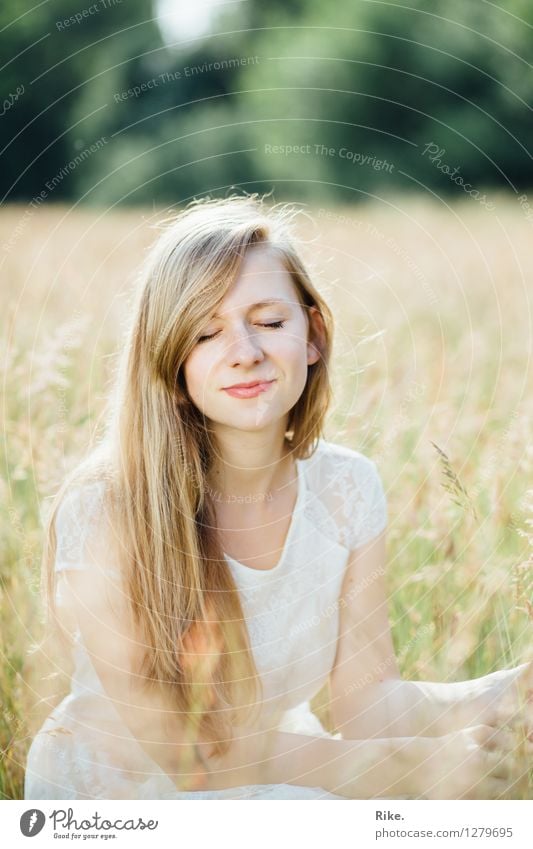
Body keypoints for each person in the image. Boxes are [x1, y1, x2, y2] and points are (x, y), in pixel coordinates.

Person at [24, 194, 532, 800]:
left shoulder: (346, 489)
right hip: (130, 793)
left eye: (269, 322)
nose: (246, 351)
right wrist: (412, 769)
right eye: (206, 333)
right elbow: (189, 750)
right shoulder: (106, 510)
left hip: (281, 763)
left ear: (313, 334)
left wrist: (504, 694)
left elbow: (368, 704)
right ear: (171, 364)